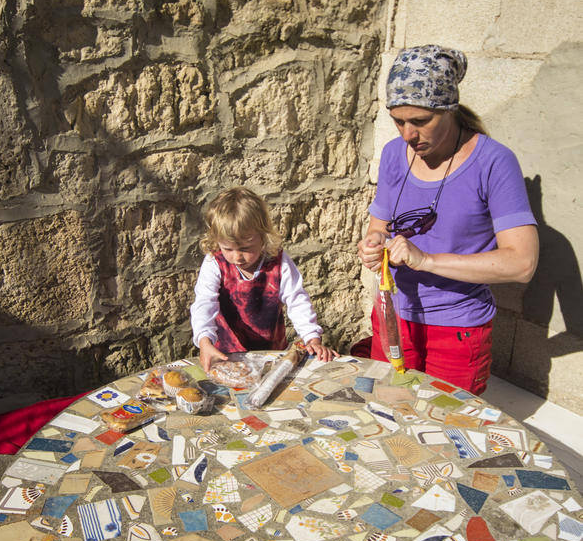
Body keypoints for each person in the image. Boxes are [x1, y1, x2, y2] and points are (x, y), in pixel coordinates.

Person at [357, 44, 538, 394]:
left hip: (456, 330)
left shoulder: (494, 162)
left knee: (447, 432)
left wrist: (426, 260)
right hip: (393, 316)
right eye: (398, 121)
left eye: (421, 121)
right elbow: (379, 224)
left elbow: (522, 263)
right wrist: (373, 244)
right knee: (386, 415)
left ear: (450, 110)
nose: (408, 134)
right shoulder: (395, 153)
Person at [191, 187, 338, 372]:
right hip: (227, 356)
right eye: (228, 249)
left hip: (271, 355)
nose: (237, 257)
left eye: (245, 248)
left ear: (263, 235)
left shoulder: (278, 263)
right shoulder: (215, 263)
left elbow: (297, 300)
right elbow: (204, 302)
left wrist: (312, 338)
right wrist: (204, 340)